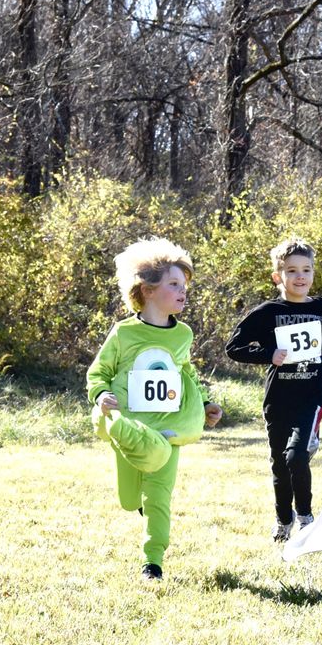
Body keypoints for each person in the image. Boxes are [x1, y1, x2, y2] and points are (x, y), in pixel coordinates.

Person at [87, 237, 223, 581]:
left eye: (185, 285)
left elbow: (186, 373)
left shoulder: (183, 335)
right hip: (131, 427)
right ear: (147, 290)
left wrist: (204, 405)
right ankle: (138, 505)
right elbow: (98, 372)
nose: (183, 291)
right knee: (130, 499)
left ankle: (153, 561)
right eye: (174, 284)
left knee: (160, 494)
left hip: (168, 427)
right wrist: (101, 395)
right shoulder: (124, 333)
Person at [225, 238, 322, 543]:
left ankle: (306, 518)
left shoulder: (321, 308)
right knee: (280, 463)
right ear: (278, 276)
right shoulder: (268, 311)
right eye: (292, 270)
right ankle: (283, 518)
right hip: (278, 399)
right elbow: (234, 347)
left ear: (312, 273)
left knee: (297, 457)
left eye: (306, 270)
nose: (300, 277)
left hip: (310, 397)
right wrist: (268, 354)